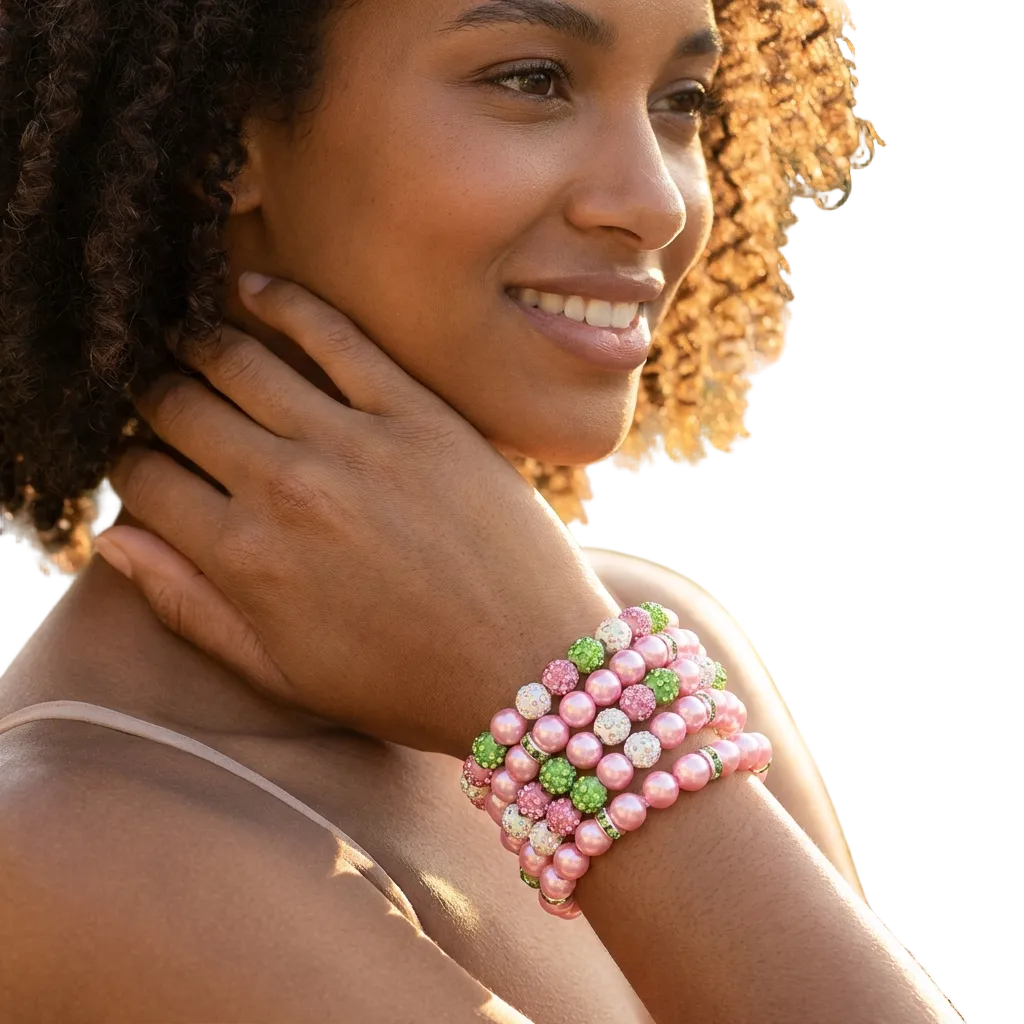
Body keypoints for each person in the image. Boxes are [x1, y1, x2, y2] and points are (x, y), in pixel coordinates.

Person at [0, 0, 957, 1021]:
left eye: (680, 101)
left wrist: (569, 683)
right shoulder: (72, 845)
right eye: (533, 80)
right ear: (223, 136)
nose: (657, 200)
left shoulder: (639, 637)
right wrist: (578, 703)